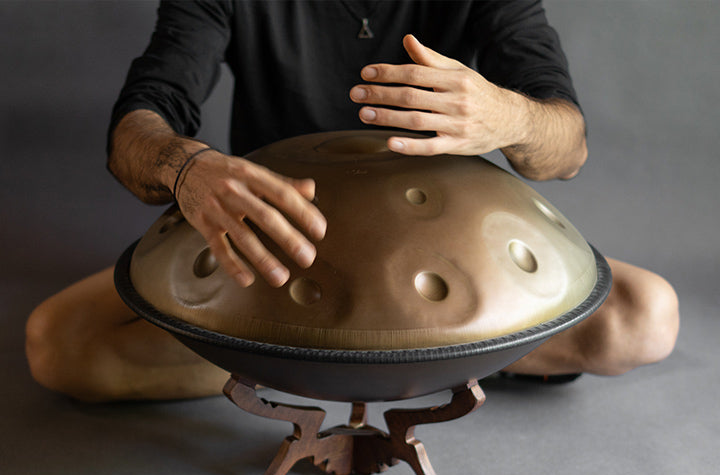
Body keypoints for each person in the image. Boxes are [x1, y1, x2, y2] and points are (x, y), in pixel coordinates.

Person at [26, 0, 678, 402]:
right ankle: (419, 374)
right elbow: (136, 130)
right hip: (277, 265)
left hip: (447, 268)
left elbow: (567, 148)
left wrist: (509, 117)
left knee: (647, 317)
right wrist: (185, 168)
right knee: (58, 343)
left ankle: (340, 374)